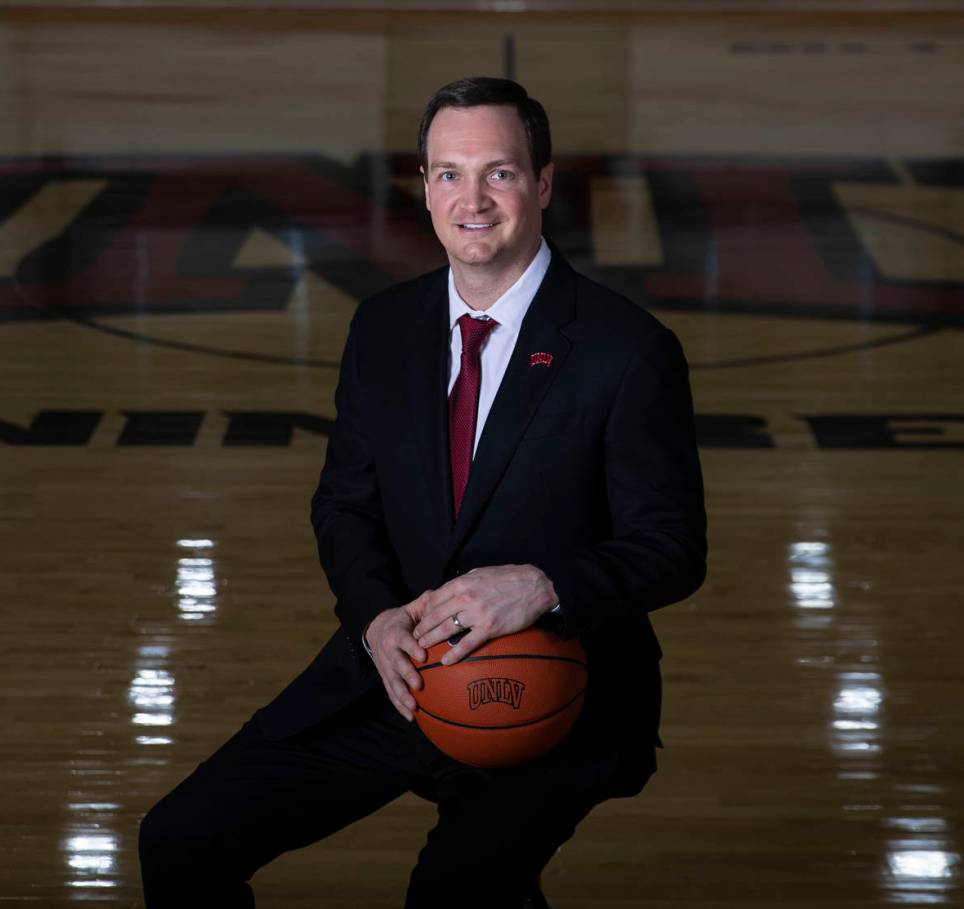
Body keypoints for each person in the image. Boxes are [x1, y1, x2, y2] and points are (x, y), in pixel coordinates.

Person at [139, 76, 707, 908]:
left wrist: (546, 585)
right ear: (424, 187)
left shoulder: (626, 349)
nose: (471, 198)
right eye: (448, 173)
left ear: (543, 183)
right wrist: (375, 619)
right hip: (398, 672)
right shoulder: (384, 327)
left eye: (499, 173)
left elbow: (673, 546)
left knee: (457, 892)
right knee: (180, 840)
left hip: (550, 689)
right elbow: (344, 506)